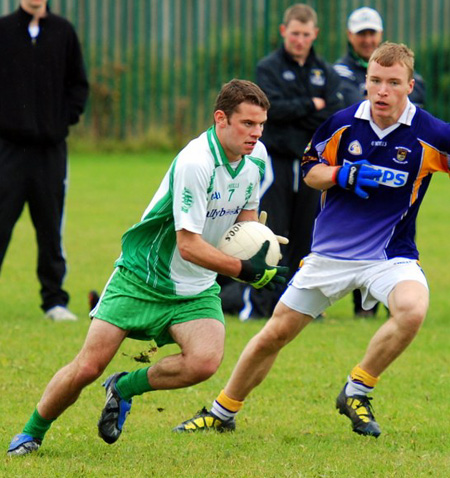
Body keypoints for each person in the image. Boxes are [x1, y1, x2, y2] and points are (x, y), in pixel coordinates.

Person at [174, 42, 450, 438]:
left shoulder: (430, 134)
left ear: (410, 85)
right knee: (275, 334)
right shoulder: (342, 124)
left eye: (393, 82)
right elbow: (310, 171)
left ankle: (357, 389)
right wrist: (344, 175)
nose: (382, 91)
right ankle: (222, 411)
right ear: (366, 82)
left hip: (390, 255)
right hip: (330, 256)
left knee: (412, 308)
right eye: (374, 81)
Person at [7, 79, 289, 456]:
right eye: (247, 124)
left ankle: (124, 387)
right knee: (88, 367)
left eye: (261, 125)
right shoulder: (196, 162)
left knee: (204, 361)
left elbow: (245, 226)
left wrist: (260, 254)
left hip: (196, 286)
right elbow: (188, 246)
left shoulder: (256, 158)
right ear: (221, 119)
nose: (256, 133)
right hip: (141, 277)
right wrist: (244, 269)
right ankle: (31, 432)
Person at [220, 3, 344, 321]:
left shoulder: (325, 72)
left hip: (310, 166)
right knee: (269, 232)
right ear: (283, 32)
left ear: (314, 34)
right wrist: (309, 105)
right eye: (294, 33)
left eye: (305, 34)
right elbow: (271, 112)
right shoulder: (268, 68)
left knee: (307, 235)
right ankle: (259, 306)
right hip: (275, 162)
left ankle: (304, 308)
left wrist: (301, 109)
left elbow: (329, 115)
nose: (300, 40)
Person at [334, 6, 426, 318]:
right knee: (361, 227)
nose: (367, 39)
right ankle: (362, 308)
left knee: (399, 229)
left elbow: (419, 104)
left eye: (372, 32)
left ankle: (395, 300)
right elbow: (346, 103)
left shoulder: (407, 71)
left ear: (380, 34)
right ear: (350, 36)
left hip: (402, 166)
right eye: (361, 34)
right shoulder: (340, 71)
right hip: (357, 161)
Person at [0, 0, 89, 321]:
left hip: (50, 153)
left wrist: (60, 120)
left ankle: (54, 301)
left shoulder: (63, 32)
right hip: (7, 150)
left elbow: (78, 85)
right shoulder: (4, 30)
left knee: (51, 227)